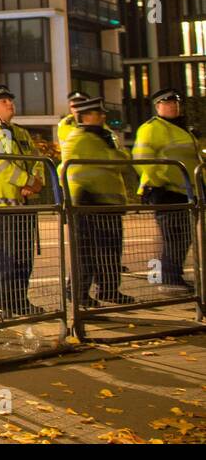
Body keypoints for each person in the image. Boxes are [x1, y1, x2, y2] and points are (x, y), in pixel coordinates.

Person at [0, 84, 47, 319]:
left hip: (24, 203)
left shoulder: (21, 133)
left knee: (24, 255)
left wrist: (36, 182)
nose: (10, 104)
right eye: (4, 101)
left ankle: (19, 300)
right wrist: (26, 181)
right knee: (3, 255)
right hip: (0, 204)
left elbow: (37, 160)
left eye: (10, 100)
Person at [62, 96, 135, 307]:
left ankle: (109, 289)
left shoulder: (103, 135)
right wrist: (120, 155)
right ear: (86, 116)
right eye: (98, 113)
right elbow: (116, 160)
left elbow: (118, 161)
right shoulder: (82, 138)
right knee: (87, 252)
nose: (103, 116)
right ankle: (78, 293)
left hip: (106, 204)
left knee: (109, 251)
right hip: (88, 203)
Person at [133, 88, 204, 294]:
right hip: (165, 191)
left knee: (183, 236)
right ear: (158, 107)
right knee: (173, 235)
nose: (174, 106)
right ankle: (168, 278)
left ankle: (172, 276)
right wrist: (158, 182)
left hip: (186, 191)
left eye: (176, 103)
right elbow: (142, 157)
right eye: (168, 103)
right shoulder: (152, 128)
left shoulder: (183, 129)